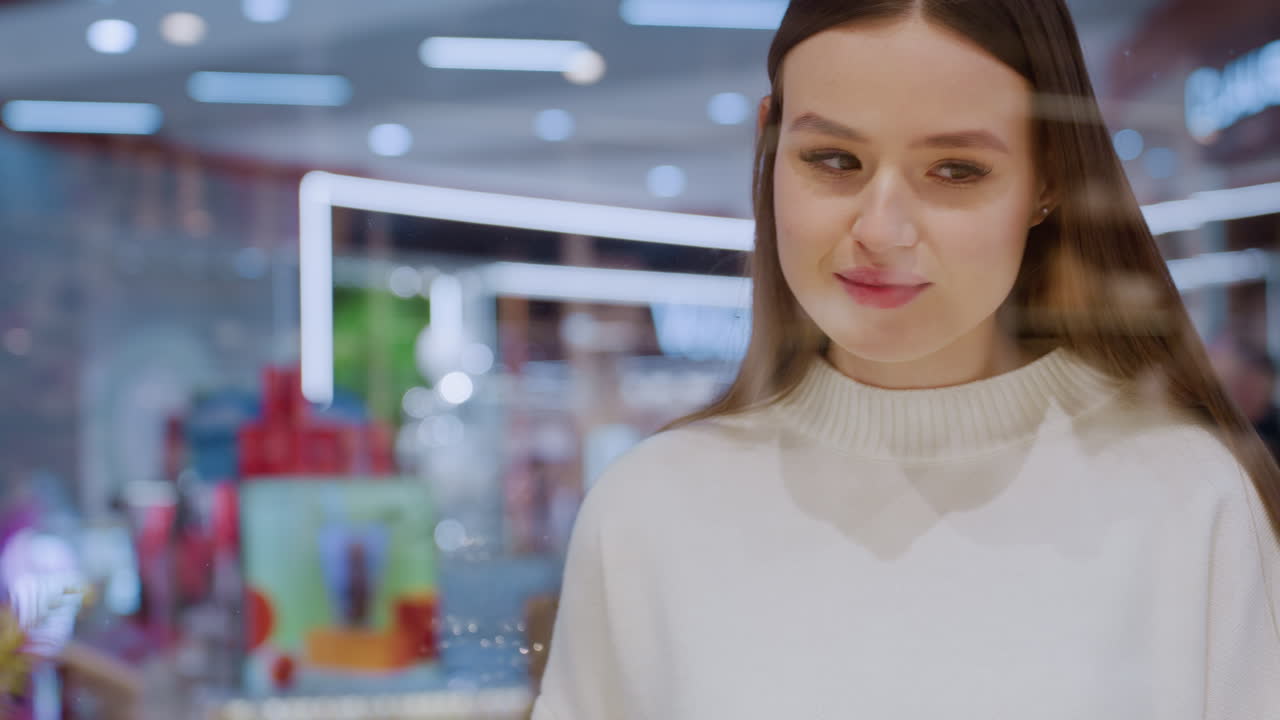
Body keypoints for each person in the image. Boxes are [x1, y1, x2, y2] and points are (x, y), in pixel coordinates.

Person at [530, 1, 1280, 718]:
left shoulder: (1188, 500)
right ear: (770, 145)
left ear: (1048, 177)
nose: (881, 229)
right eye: (834, 159)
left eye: (955, 170)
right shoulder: (650, 512)